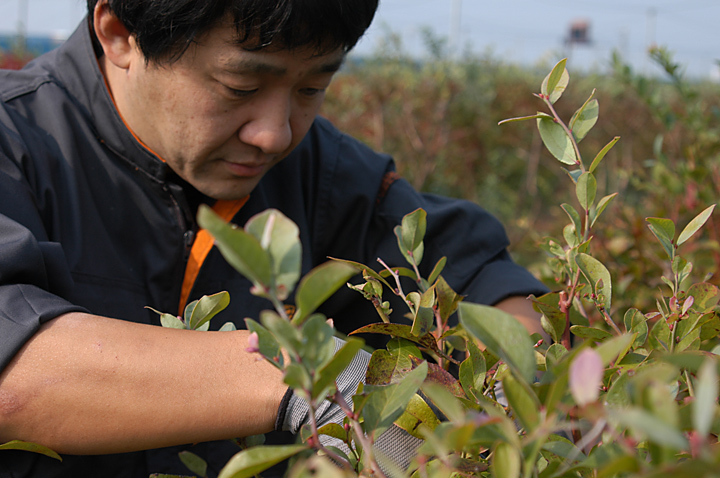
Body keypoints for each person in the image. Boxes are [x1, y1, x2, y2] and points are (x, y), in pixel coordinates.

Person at [0, 0, 549, 476]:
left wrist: (516, 372)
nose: (274, 133)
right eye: (240, 86)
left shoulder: (320, 172)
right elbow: (15, 370)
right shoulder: (16, 145)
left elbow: (473, 273)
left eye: (312, 87)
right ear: (120, 34)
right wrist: (296, 373)